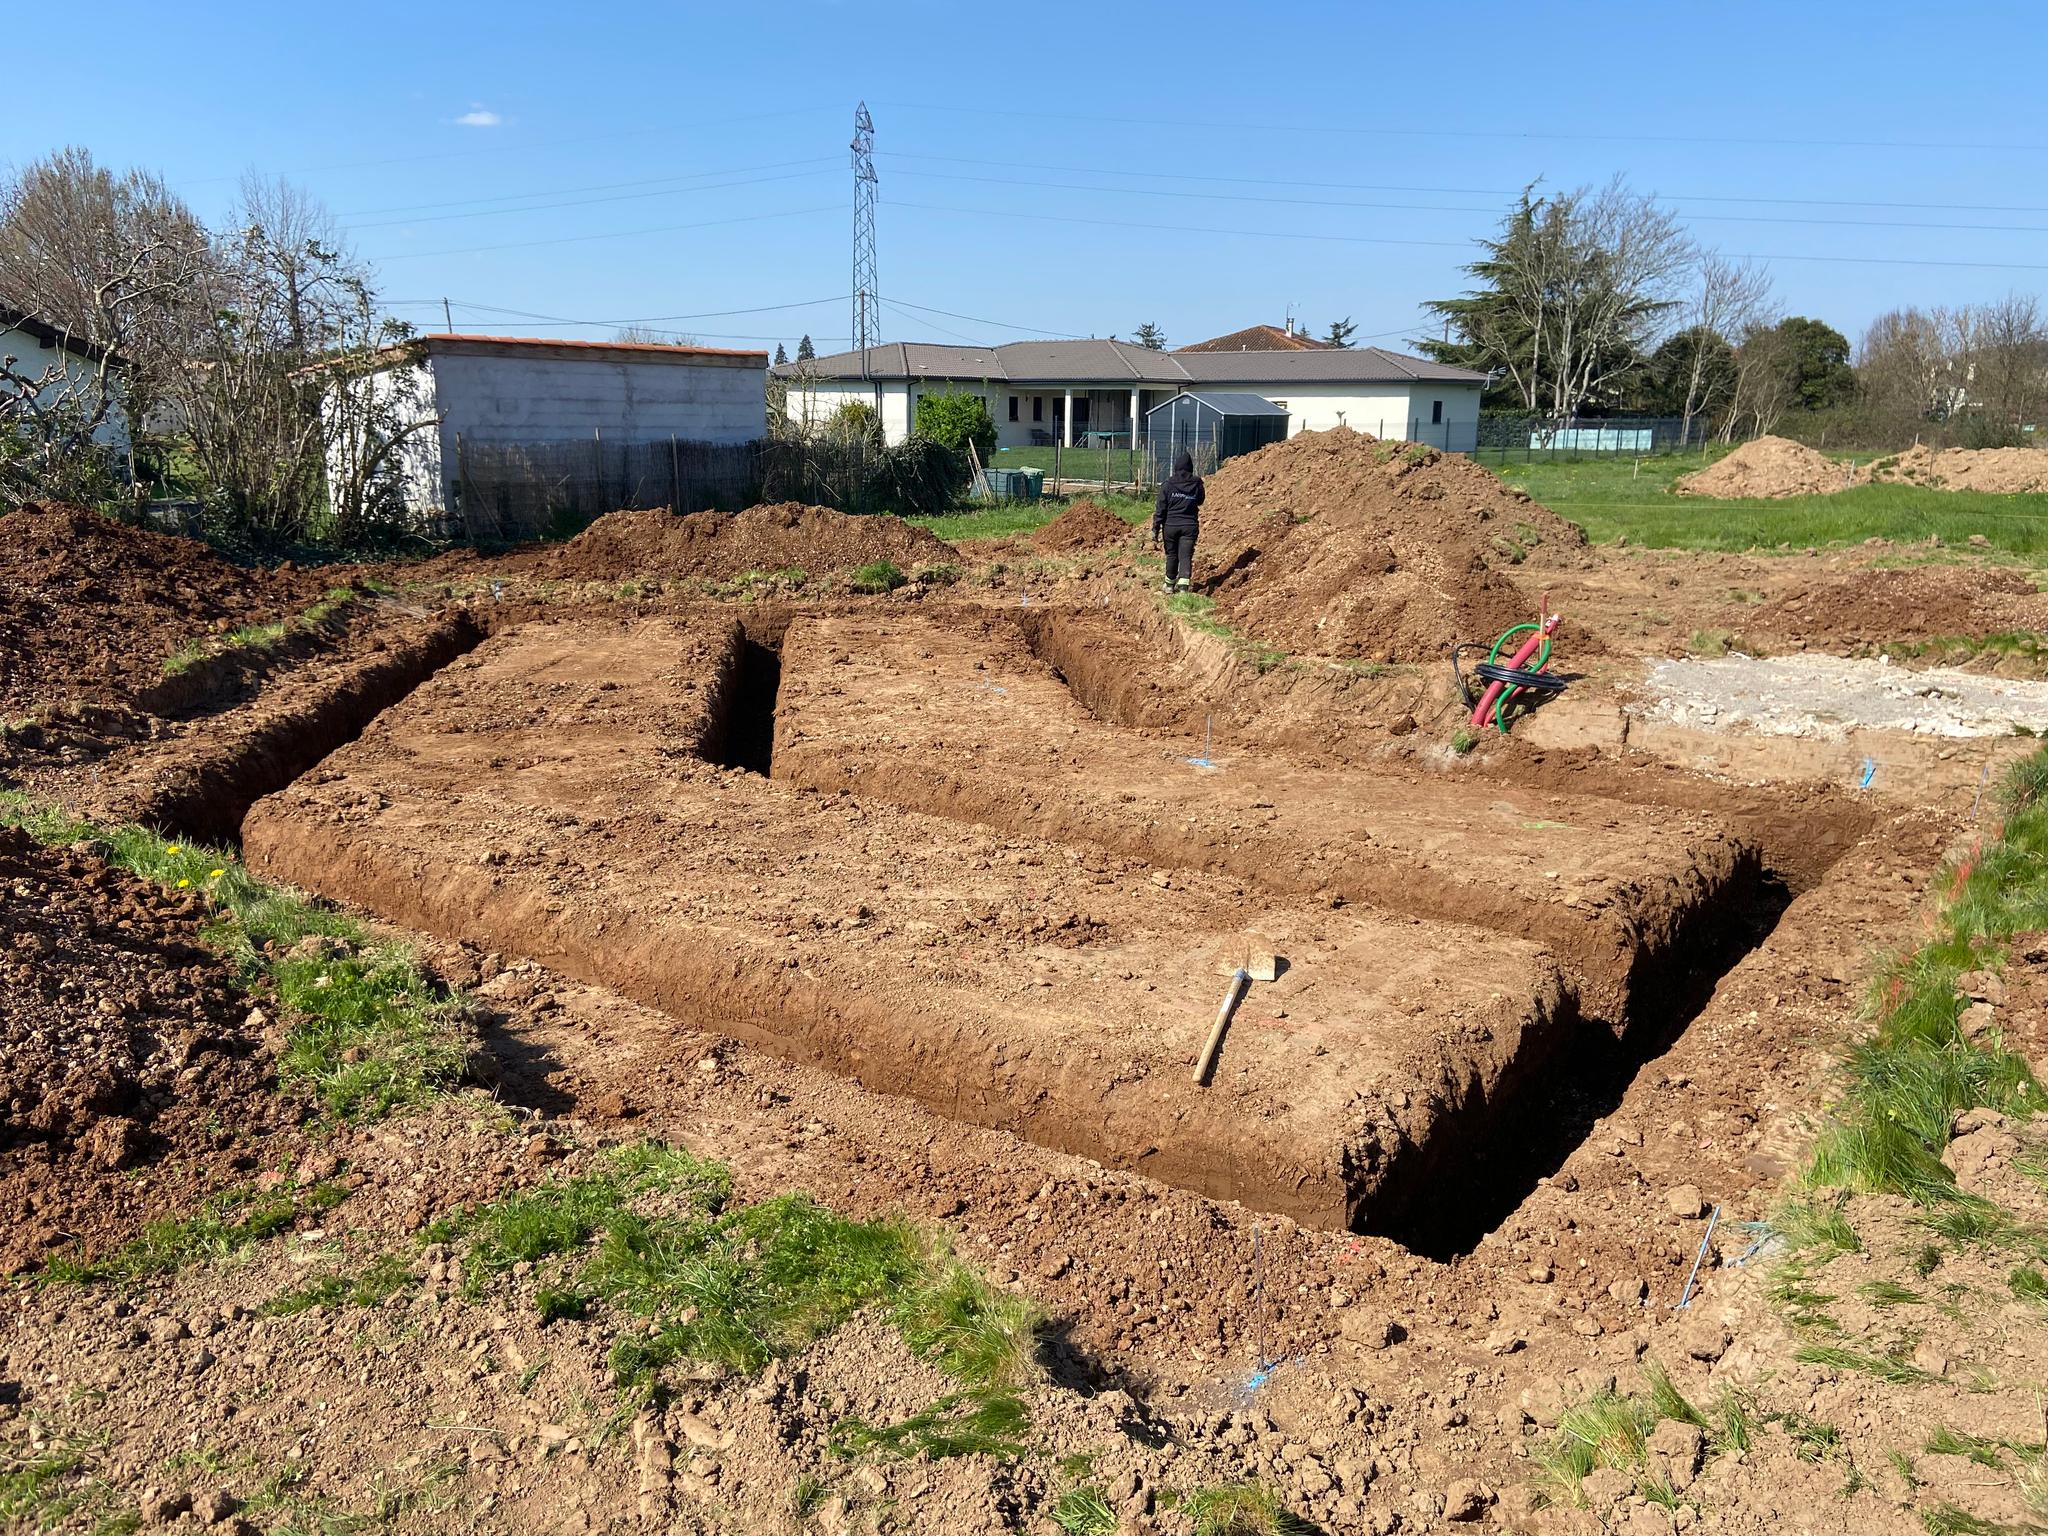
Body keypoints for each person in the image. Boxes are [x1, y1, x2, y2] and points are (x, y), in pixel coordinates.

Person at [1152, 450, 1205, 594]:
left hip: (1170, 526)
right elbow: (1200, 500)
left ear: (1176, 467)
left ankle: (1169, 585)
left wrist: (1155, 528)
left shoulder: (1168, 484)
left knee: (1172, 555)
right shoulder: (1197, 483)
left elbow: (1160, 508)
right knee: (1185, 555)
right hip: (1189, 526)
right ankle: (1183, 588)